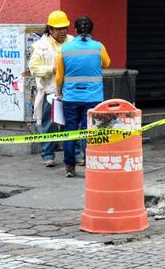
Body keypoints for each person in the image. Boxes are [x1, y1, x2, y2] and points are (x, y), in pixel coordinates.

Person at [56, 16, 111, 177]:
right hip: (93, 97)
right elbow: (107, 63)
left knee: (70, 131)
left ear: (75, 30)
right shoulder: (98, 47)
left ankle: (69, 167)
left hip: (71, 97)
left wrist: (59, 93)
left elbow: (59, 76)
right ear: (91, 30)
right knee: (90, 132)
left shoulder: (65, 49)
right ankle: (90, 164)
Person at [28, 10, 72, 167]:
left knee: (71, 125)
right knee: (48, 125)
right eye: (59, 29)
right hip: (50, 91)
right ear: (50, 29)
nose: (63, 32)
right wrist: (51, 69)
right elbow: (33, 68)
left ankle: (75, 156)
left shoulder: (72, 42)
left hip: (70, 91)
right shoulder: (40, 46)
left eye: (65, 28)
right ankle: (48, 155)